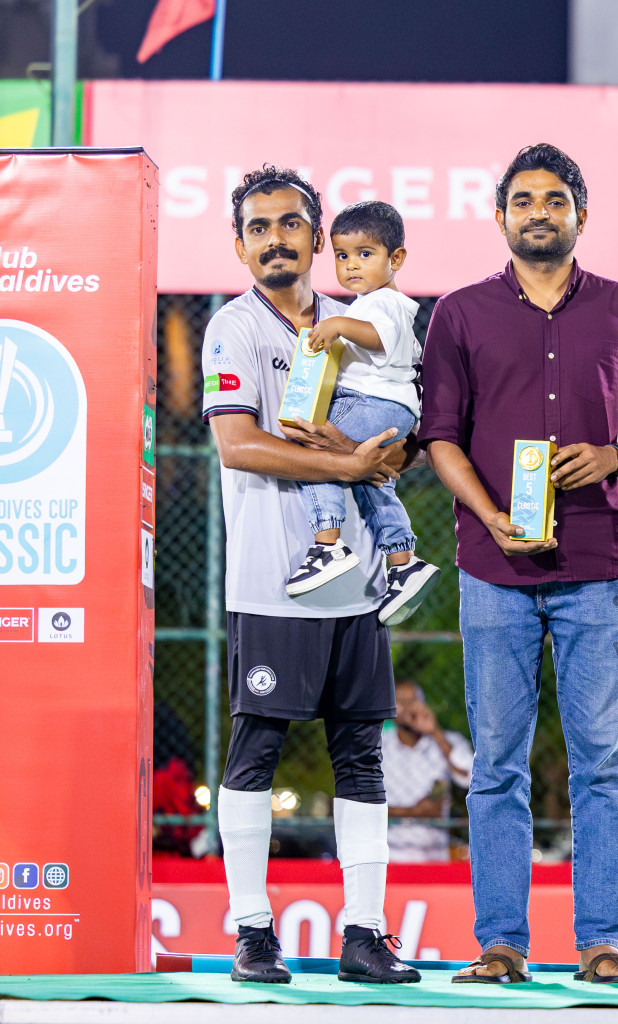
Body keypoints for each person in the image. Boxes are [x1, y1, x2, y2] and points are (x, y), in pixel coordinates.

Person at [419, 143, 618, 985]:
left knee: (602, 762)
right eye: (524, 201)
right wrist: (490, 516)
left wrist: (615, 459)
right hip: (494, 568)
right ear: (501, 217)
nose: (539, 213)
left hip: (597, 564)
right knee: (497, 765)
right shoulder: (458, 313)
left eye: (556, 200)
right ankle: (501, 944)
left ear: (581, 216)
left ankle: (602, 942)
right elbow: (440, 437)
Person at [202, 165, 419, 985]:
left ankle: (364, 934)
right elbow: (238, 445)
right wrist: (354, 464)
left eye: (290, 224)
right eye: (258, 228)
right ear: (240, 245)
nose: (275, 240)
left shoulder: (356, 321)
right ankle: (253, 932)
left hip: (356, 582)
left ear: (316, 237)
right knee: (255, 747)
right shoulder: (234, 328)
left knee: (362, 754)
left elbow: (388, 437)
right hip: (272, 578)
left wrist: (379, 455)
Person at [283, 200, 441, 626]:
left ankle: (328, 542)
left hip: (374, 405)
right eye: (342, 256)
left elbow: (377, 338)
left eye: (365, 254)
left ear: (397, 259)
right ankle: (403, 562)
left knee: (315, 456)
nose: (352, 265)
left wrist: (336, 327)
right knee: (371, 484)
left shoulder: (382, 304)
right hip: (392, 409)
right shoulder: (369, 302)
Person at [383, 680, 474, 863]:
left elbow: (470, 777)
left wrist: (435, 732)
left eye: (412, 701)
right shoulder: (379, 746)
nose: (407, 708)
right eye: (399, 701)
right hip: (389, 854)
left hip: (433, 855)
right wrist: (413, 811)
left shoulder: (446, 740)